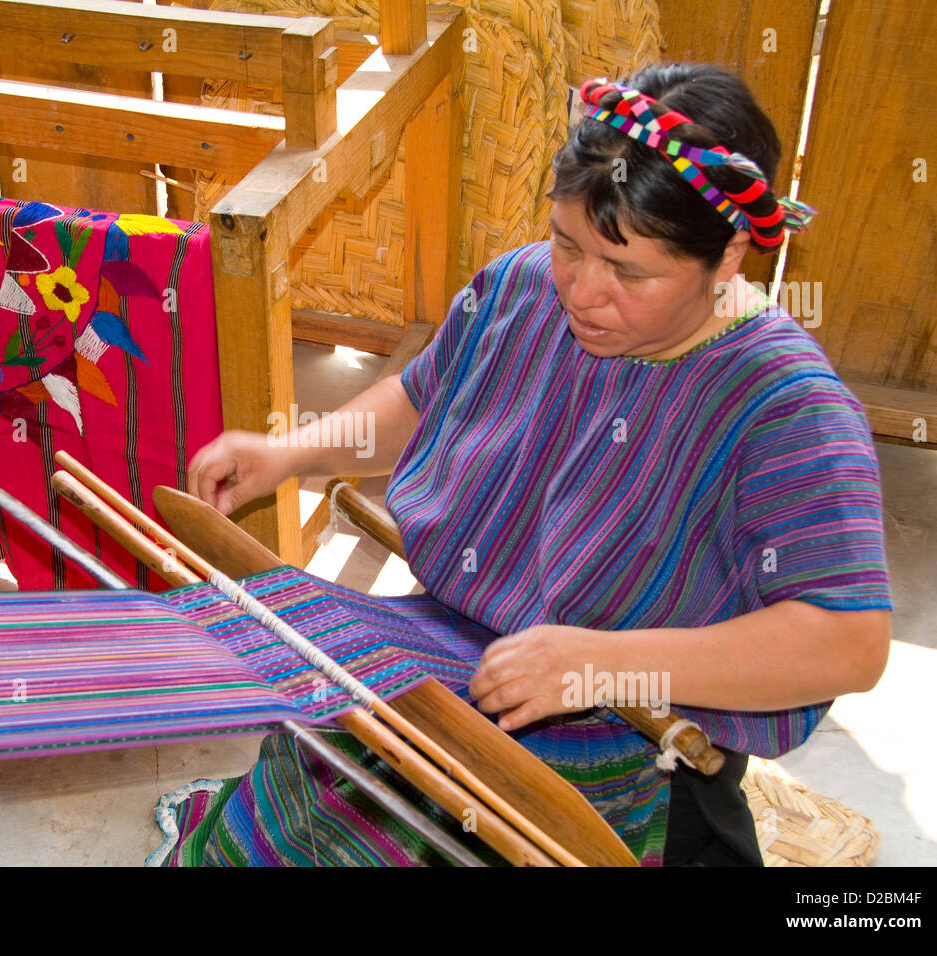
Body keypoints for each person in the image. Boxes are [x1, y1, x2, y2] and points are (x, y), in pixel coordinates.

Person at [155, 63, 892, 867]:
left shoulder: (784, 405)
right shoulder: (522, 287)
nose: (581, 291)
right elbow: (424, 397)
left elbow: (848, 639)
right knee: (318, 762)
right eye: (567, 244)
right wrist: (288, 452)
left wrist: (597, 664)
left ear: (729, 259)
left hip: (635, 727)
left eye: (629, 272)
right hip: (452, 647)